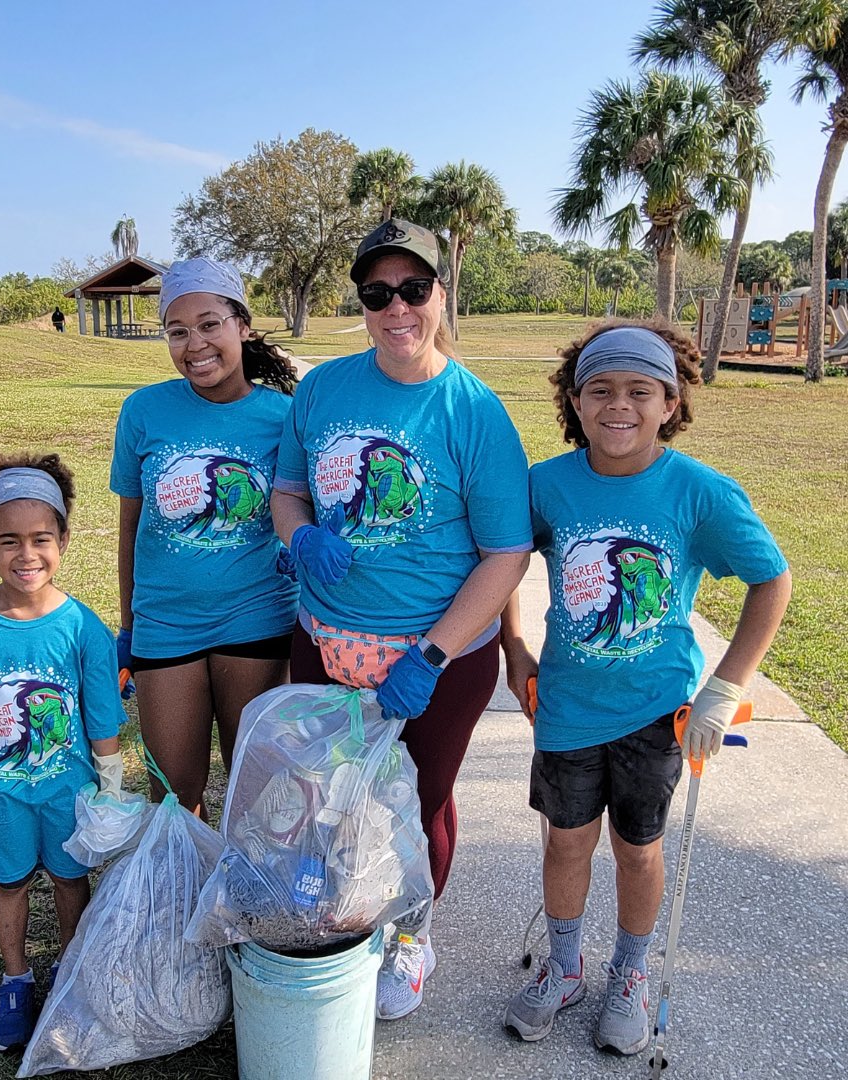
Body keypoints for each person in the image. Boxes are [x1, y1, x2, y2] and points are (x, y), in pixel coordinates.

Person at [499, 320, 791, 1055]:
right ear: (575, 401)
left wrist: (726, 685)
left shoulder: (699, 492)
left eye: (640, 391)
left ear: (671, 402)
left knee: (637, 850)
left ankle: (630, 972)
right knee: (566, 844)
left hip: (657, 712)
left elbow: (772, 581)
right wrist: (514, 646)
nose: (619, 405)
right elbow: (500, 560)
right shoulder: (546, 486)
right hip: (566, 706)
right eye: (600, 390)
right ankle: (565, 967)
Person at [270, 218, 533, 1020]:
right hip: (325, 641)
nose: (396, 308)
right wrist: (300, 536)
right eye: (377, 293)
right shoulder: (322, 390)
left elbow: (506, 553)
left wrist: (432, 655)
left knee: (420, 799)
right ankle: (344, 906)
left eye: (413, 289)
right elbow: (288, 492)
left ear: (440, 293)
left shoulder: (473, 410)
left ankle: (413, 933)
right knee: (326, 790)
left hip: (437, 657)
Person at [0, 451, 125, 1052]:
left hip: (67, 786)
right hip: (0, 791)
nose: (26, 554)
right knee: (8, 882)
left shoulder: (83, 626)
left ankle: (70, 968)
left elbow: (102, 710)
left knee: (69, 878)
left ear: (63, 540)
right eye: (8, 540)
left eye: (41, 539)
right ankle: (15, 979)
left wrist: (110, 782)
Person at [111, 257, 299, 819]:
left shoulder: (285, 417)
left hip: (258, 618)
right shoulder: (144, 411)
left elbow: (305, 512)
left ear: (242, 325)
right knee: (172, 800)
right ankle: (186, 880)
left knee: (257, 793)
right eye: (177, 331)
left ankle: (244, 880)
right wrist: (128, 625)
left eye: (210, 324)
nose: (194, 345)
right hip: (165, 624)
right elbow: (130, 527)